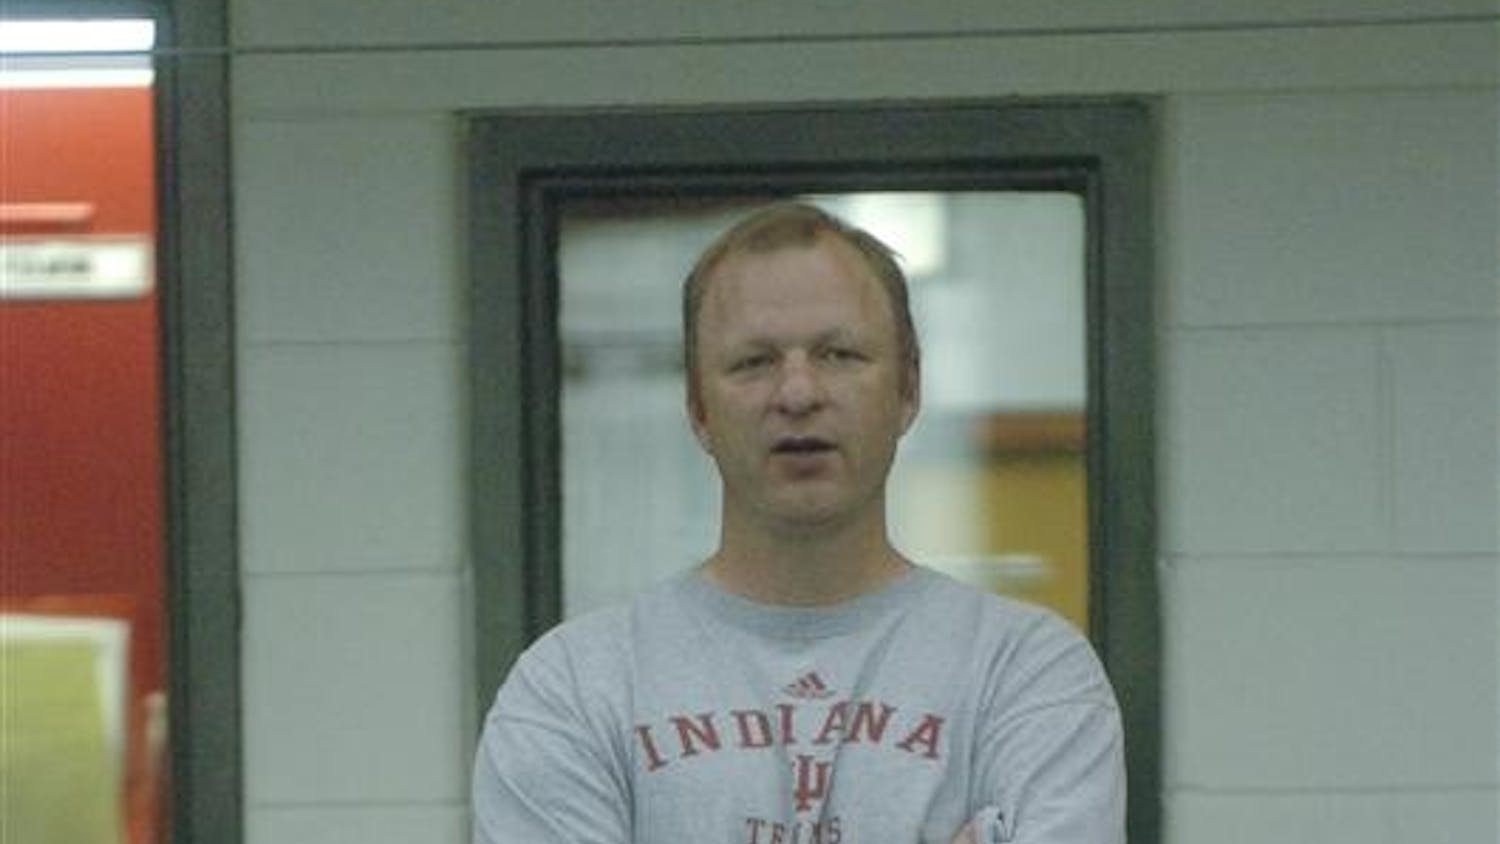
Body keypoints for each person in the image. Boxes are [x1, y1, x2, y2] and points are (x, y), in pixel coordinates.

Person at [472, 202, 1125, 844]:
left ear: (908, 391)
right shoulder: (574, 689)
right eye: (753, 362)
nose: (798, 394)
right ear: (699, 408)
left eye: (839, 354)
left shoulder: (1028, 675)